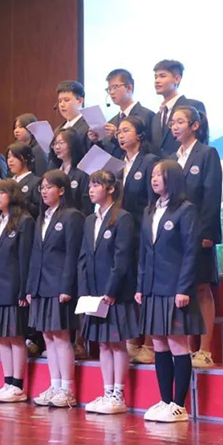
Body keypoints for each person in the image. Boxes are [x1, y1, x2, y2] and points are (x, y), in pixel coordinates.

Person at [137, 160, 204, 423]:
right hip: (153, 287)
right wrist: (141, 286)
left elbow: (191, 252)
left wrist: (184, 288)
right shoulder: (149, 210)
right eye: (152, 175)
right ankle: (165, 400)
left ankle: (179, 404)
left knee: (177, 343)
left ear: (172, 179)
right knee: (158, 343)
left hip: (175, 287)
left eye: (160, 175)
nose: (154, 179)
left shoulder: (186, 210)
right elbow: (144, 252)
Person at [79, 171, 139, 415]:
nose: (91, 190)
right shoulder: (89, 220)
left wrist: (111, 290)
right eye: (90, 186)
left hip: (115, 293)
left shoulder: (123, 218)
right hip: (94, 293)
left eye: (96, 185)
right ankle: (107, 392)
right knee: (103, 344)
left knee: (116, 343)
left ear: (110, 189)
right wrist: (85, 291)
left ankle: (118, 394)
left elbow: (122, 258)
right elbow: (84, 257)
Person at [168, 106, 222, 368]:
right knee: (183, 289)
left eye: (180, 122)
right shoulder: (171, 158)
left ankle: (205, 350)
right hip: (175, 236)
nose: (175, 127)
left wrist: (208, 232)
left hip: (199, 233)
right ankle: (187, 350)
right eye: (172, 123)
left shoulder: (207, 153)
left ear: (195, 125)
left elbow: (211, 194)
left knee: (201, 288)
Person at [26, 170, 84, 408]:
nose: (44, 191)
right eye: (42, 187)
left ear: (61, 190)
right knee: (48, 337)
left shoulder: (72, 216)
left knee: (61, 337)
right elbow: (34, 255)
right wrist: (31, 287)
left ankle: (67, 389)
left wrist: (67, 286)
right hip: (41, 286)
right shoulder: (42, 218)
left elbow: (73, 254)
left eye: (49, 187)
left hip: (59, 285)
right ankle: (55, 384)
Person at [0, 180, 35, 403]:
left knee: (16, 337)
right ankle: (7, 382)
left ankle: (18, 385)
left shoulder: (24, 221)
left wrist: (24, 290)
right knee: (2, 337)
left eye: (1, 192)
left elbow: (25, 259)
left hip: (14, 288)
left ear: (12, 195)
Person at [116, 115, 160, 364]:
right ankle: (133, 340)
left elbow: (152, 202)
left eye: (126, 130)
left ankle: (150, 344)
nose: (120, 135)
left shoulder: (149, 161)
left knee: (146, 287)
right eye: (119, 132)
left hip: (142, 232)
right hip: (122, 234)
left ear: (140, 134)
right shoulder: (118, 163)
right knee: (130, 286)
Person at [89, 69, 155, 159]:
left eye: (115, 87)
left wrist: (116, 136)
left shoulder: (146, 115)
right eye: (109, 89)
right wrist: (96, 140)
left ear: (129, 88)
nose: (111, 92)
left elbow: (149, 147)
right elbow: (108, 151)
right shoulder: (112, 121)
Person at [150, 60, 208, 157]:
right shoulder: (156, 117)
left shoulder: (193, 106)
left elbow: (202, 141)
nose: (157, 81)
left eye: (162, 76)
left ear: (177, 79)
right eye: (155, 77)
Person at [50, 128, 93, 216]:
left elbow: (86, 205)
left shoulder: (82, 172)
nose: (57, 147)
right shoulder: (53, 171)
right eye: (54, 144)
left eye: (61, 143)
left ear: (72, 145)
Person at [53, 80, 91, 156]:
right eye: (60, 101)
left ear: (79, 101)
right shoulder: (58, 130)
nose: (62, 105)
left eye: (66, 100)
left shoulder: (89, 126)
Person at [7, 142, 41, 219]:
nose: (10, 160)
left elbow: (38, 210)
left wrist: (20, 199)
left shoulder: (35, 182)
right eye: (8, 157)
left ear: (25, 159)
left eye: (15, 157)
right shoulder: (8, 182)